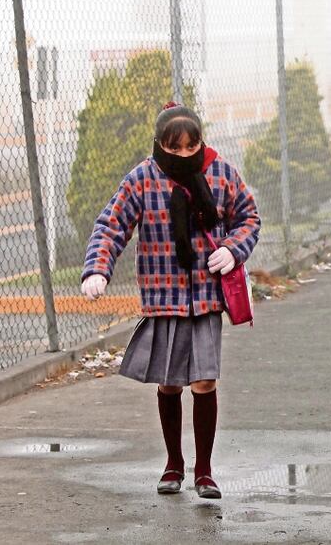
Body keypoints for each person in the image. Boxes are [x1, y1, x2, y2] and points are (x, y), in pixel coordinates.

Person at [80, 102, 260, 499]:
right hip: (163, 295)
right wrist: (97, 269)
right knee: (169, 383)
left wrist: (232, 249)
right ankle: (173, 463)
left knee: (205, 380)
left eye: (191, 146)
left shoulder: (220, 172)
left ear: (200, 141)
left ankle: (205, 472)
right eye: (174, 147)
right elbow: (111, 225)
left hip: (206, 297)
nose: (183, 154)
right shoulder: (142, 178)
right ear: (159, 144)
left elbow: (248, 217)